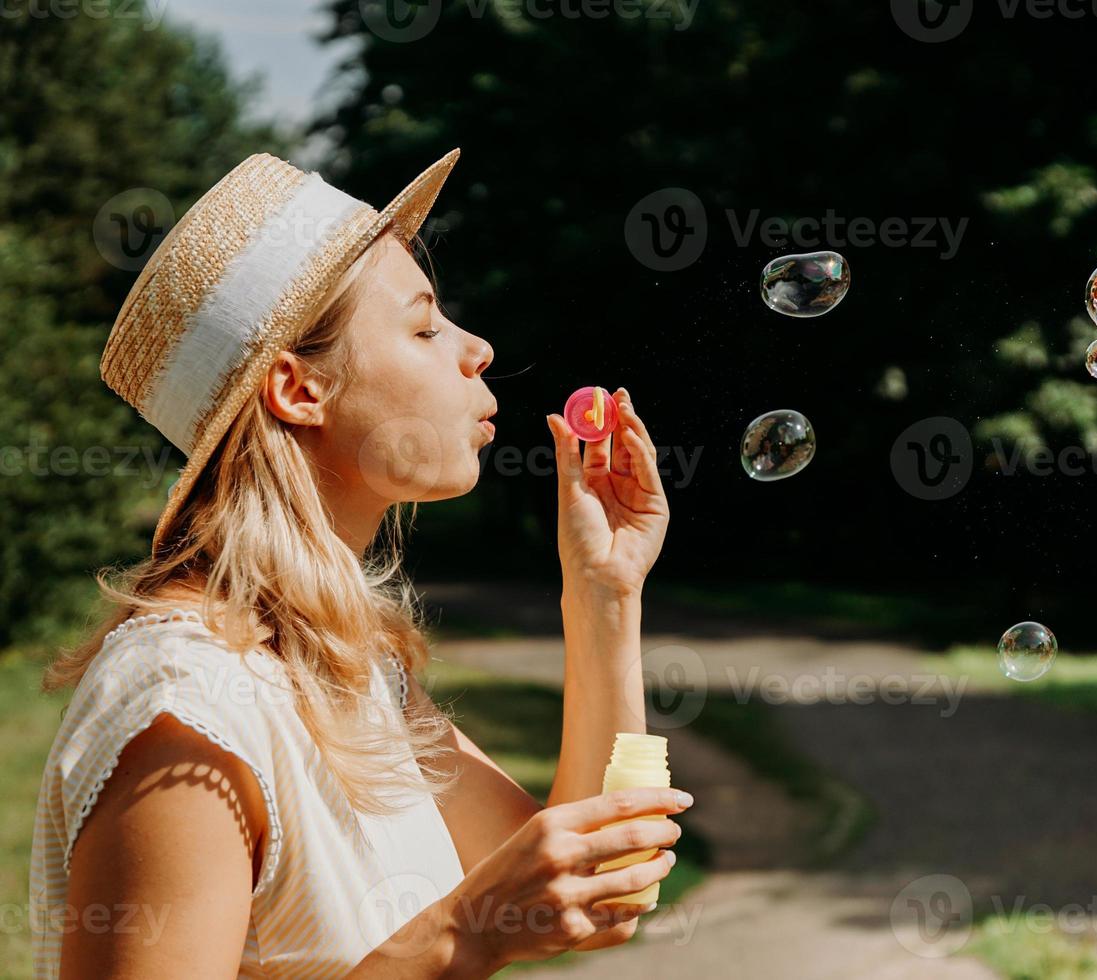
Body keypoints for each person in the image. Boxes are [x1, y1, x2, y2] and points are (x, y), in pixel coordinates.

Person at [28, 148, 693, 977]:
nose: (478, 347)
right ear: (299, 391)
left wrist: (604, 592)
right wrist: (462, 935)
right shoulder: (185, 701)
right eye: (424, 327)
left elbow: (597, 887)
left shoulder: (344, 667)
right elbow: (489, 921)